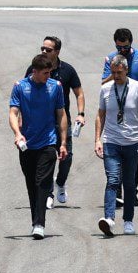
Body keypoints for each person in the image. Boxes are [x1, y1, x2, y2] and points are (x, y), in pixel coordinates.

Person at [94, 52, 138, 237]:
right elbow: (100, 115)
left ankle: (128, 220)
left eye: (119, 73)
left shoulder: (137, 88)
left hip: (133, 143)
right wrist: (97, 139)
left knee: (129, 184)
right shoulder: (106, 89)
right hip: (111, 142)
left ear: (126, 70)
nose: (116, 76)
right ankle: (109, 219)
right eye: (113, 72)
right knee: (113, 180)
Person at [8, 51, 69, 239]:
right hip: (27, 144)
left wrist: (63, 142)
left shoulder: (55, 87)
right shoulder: (20, 87)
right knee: (31, 185)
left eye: (50, 73)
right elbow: (13, 113)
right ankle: (35, 221)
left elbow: (61, 114)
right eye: (45, 73)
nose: (48, 76)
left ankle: (40, 224)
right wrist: (18, 134)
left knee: (42, 182)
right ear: (35, 71)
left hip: (48, 143)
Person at [37, 35, 86, 207]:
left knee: (67, 157)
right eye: (42, 48)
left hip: (62, 121)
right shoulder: (34, 68)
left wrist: (81, 113)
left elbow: (79, 93)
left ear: (57, 52)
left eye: (48, 50)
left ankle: (61, 183)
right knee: (47, 158)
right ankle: (48, 192)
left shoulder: (67, 70)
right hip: (41, 124)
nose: (43, 51)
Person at [105, 28, 138, 114]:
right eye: (119, 47)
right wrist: (115, 73)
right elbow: (104, 83)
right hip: (117, 109)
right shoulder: (110, 59)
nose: (122, 50)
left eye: (125, 47)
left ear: (131, 43)